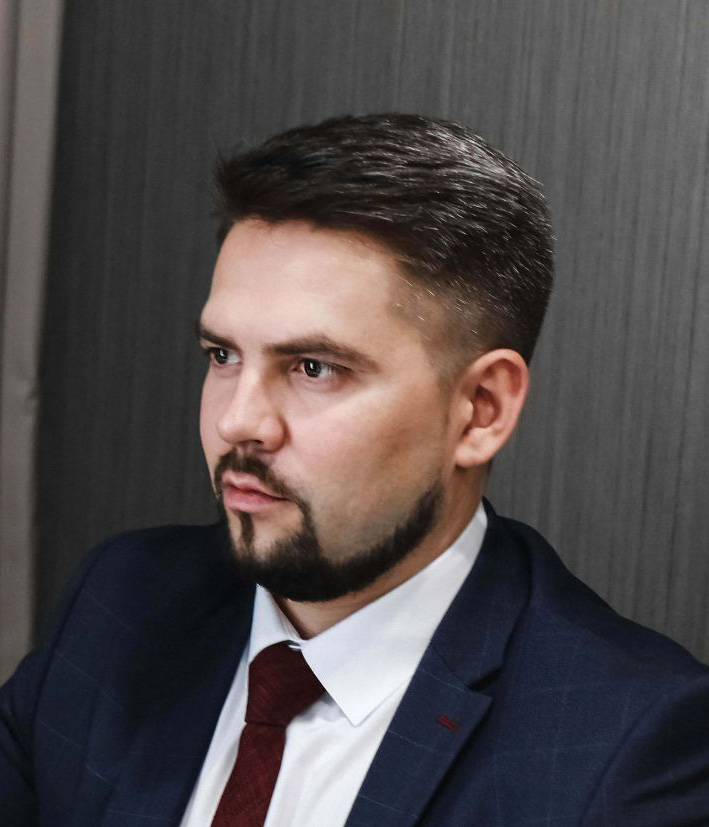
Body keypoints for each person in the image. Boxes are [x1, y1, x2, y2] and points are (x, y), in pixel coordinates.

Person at [1, 113, 708, 827]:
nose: (238, 421)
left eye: (314, 367)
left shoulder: (624, 748)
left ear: (480, 411)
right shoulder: (121, 604)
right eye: (223, 355)